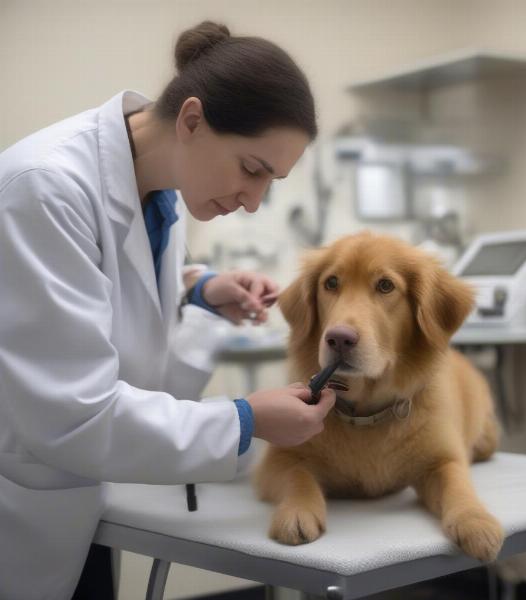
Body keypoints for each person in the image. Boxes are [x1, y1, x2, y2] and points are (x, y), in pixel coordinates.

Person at [0, 21, 336, 600]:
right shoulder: (44, 187)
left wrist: (199, 289)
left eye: (270, 183)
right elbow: (74, 415)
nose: (254, 202)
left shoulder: (158, 193)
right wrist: (245, 419)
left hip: (81, 500)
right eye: (252, 170)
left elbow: (102, 285)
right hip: (23, 506)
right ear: (191, 120)